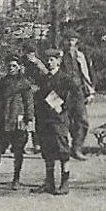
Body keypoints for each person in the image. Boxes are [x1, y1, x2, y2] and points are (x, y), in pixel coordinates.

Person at [24, 45, 80, 194]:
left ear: (58, 61)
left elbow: (75, 95)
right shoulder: (43, 78)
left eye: (52, 60)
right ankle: (49, 183)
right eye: (47, 60)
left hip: (58, 119)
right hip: (44, 119)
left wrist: (63, 107)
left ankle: (65, 183)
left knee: (62, 150)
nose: (49, 63)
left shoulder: (65, 78)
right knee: (47, 150)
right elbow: (40, 95)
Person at [0, 56, 36, 189]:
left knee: (18, 150)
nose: (11, 68)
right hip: (4, 120)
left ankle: (16, 179)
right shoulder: (2, 83)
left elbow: (29, 103)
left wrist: (29, 118)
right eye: (9, 66)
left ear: (20, 67)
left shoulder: (24, 84)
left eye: (14, 66)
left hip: (19, 120)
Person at [61, 31, 95, 159]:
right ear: (64, 42)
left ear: (76, 42)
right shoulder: (59, 57)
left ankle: (77, 148)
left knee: (83, 121)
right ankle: (64, 148)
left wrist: (90, 92)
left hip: (78, 92)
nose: (70, 43)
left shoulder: (80, 56)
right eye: (68, 40)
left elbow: (86, 75)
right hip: (63, 94)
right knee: (64, 121)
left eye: (73, 40)